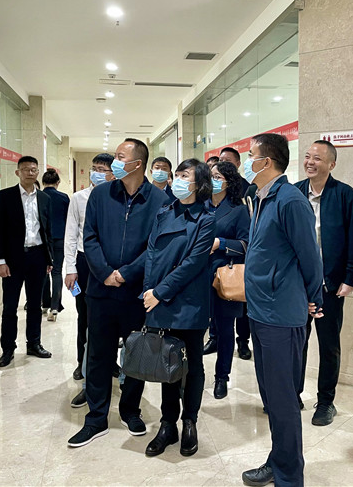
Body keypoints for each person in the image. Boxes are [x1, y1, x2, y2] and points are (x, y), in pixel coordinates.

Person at [68, 139, 168, 447]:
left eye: (121, 157)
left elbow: (156, 246)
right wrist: (104, 273)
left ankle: (130, 410)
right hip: (100, 290)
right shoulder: (100, 195)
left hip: (136, 293)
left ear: (137, 164)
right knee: (99, 355)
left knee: (136, 354)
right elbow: (90, 237)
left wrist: (126, 273)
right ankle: (96, 418)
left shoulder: (159, 200)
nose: (115, 162)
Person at [241, 133, 323, 487]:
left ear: (267, 162)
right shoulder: (262, 198)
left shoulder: (290, 201)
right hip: (260, 310)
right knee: (271, 398)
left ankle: (290, 477)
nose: (247, 161)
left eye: (251, 156)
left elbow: (310, 257)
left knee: (284, 399)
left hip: (281, 314)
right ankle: (278, 461)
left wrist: (312, 297)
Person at [142, 158, 216, 457]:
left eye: (186, 175)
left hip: (189, 301)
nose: (178, 180)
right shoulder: (163, 212)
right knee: (167, 364)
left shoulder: (206, 218)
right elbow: (151, 252)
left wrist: (160, 291)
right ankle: (167, 424)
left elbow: (194, 262)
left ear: (199, 183)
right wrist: (149, 290)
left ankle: (189, 421)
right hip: (159, 299)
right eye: (178, 175)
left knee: (193, 365)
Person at [294, 140, 353, 426]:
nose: (310, 162)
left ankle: (325, 402)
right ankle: (293, 394)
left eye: (317, 158)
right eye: (307, 157)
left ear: (331, 164)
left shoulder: (346, 196)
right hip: (298, 285)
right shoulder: (295, 193)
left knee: (328, 345)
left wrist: (350, 277)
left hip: (330, 285)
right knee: (296, 342)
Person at [0, 156, 54, 368]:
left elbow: (47, 230)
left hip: (37, 257)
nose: (30, 172)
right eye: (26, 169)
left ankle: (34, 343)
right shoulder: (5, 196)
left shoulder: (45, 198)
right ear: (17, 172)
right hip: (13, 259)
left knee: (35, 305)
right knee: (10, 306)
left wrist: (49, 259)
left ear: (38, 173)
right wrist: (0, 261)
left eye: (34, 169)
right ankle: (8, 349)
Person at [65, 154, 114, 409]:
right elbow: (71, 235)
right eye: (94, 168)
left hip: (111, 264)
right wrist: (70, 268)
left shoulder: (117, 197)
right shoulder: (78, 198)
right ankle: (82, 364)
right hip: (84, 263)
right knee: (84, 316)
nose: (96, 173)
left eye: (102, 169)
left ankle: (112, 363)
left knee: (112, 318)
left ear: (112, 173)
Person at [204, 146, 253, 360]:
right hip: (199, 274)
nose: (213, 180)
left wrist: (220, 243)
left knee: (225, 328)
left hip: (225, 275)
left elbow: (246, 244)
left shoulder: (238, 210)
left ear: (228, 182)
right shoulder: (200, 206)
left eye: (218, 177)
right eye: (211, 176)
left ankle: (222, 375)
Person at [41, 168, 70, 322]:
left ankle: (45, 303)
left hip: (42, 241)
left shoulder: (38, 196)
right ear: (58, 182)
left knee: (44, 271)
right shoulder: (64, 198)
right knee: (57, 272)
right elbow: (68, 220)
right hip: (59, 239)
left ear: (43, 182)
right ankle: (54, 307)